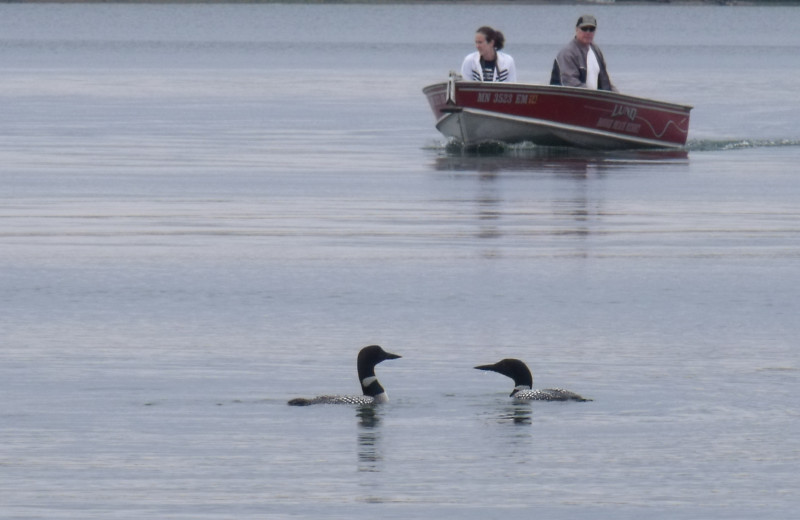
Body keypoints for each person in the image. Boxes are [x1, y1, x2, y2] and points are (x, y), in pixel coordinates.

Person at [550, 15, 617, 91]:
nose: (588, 32)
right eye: (584, 29)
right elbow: (570, 83)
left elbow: (605, 82)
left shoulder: (596, 51)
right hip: (568, 99)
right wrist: (594, 95)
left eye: (592, 29)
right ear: (576, 29)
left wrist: (616, 95)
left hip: (592, 99)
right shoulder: (567, 53)